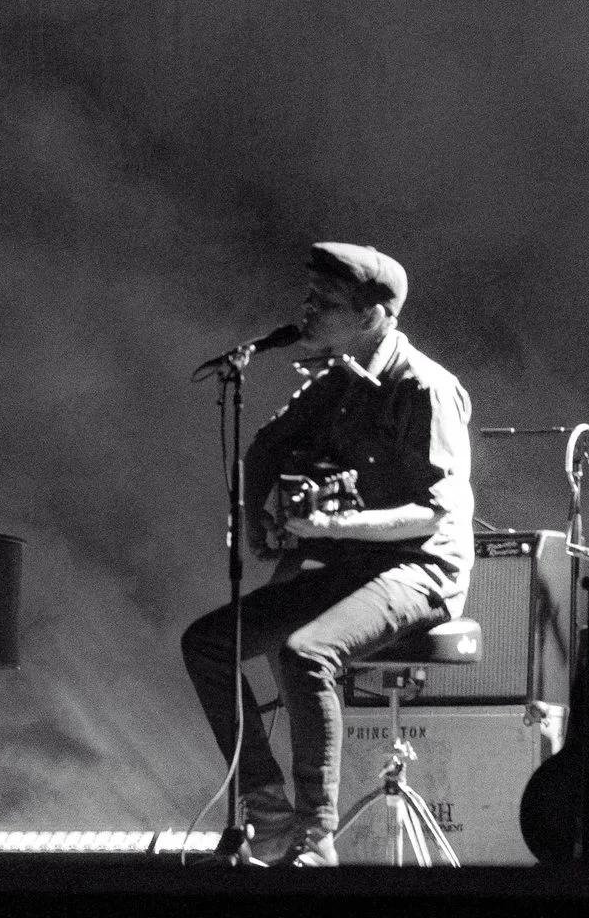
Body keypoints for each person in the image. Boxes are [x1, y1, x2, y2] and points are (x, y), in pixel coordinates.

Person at [180, 242, 474, 867]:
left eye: (327, 303)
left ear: (374, 314)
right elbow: (264, 445)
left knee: (305, 653)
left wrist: (329, 524)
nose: (309, 313)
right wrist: (255, 519)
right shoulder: (337, 380)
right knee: (207, 643)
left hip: (420, 569)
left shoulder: (423, 387)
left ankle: (316, 840)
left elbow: (433, 512)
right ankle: (267, 812)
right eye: (309, 299)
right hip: (348, 566)